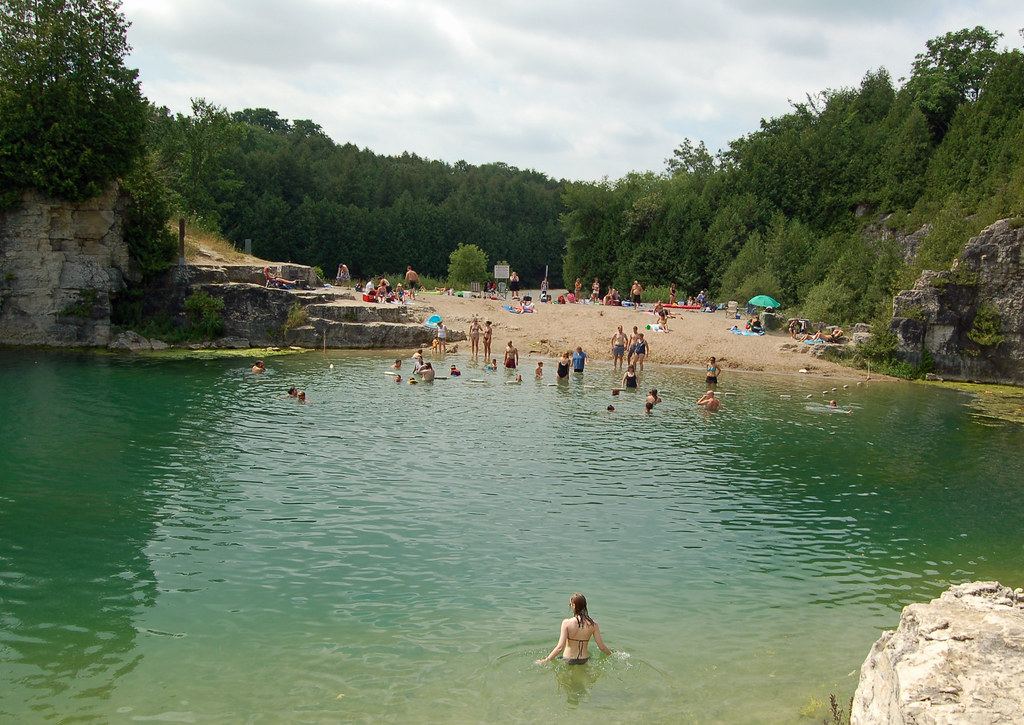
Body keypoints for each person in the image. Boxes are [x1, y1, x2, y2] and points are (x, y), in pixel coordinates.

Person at [536, 593, 612, 665]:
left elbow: (560, 647)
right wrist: (612, 654)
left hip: (568, 658)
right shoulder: (593, 624)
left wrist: (546, 660)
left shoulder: (566, 623)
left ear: (574, 606)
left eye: (570, 604)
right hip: (584, 659)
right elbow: (601, 646)